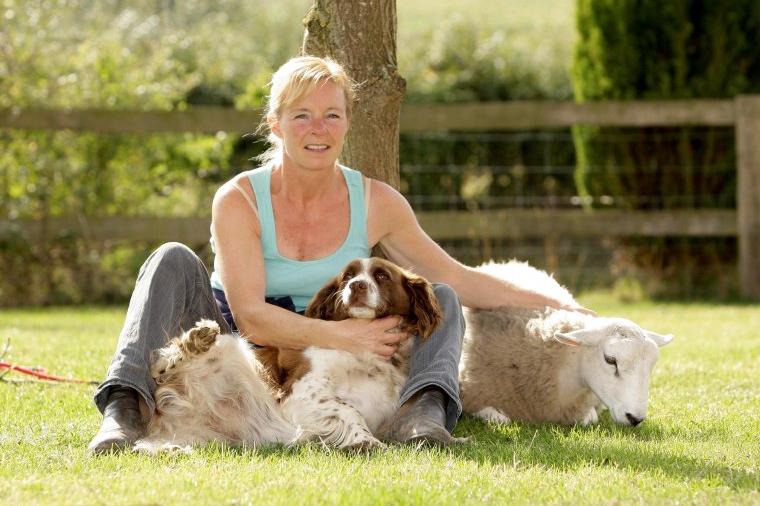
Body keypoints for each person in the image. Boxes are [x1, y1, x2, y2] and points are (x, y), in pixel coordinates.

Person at [88, 56, 594, 454]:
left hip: (332, 355)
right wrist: (342, 333)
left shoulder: (377, 201)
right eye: (302, 116)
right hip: (233, 341)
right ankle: (125, 409)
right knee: (171, 258)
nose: (318, 129)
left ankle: (425, 413)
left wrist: (556, 305)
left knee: (439, 294)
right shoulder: (238, 198)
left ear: (348, 122)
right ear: (276, 124)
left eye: (332, 115)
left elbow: (456, 276)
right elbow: (250, 316)